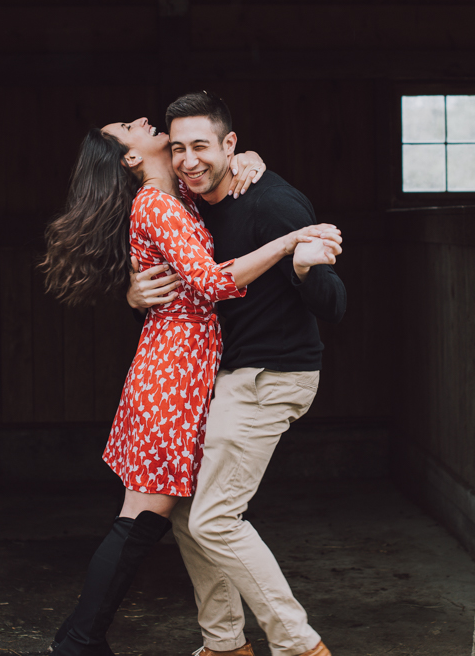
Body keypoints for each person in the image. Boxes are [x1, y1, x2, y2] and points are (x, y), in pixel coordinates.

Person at [40, 115, 342, 656]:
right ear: (131, 159)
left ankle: (171, 643)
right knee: (146, 512)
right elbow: (212, 281)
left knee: (168, 512)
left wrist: (251, 160)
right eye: (131, 127)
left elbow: (218, 172)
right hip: (175, 369)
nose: (143, 120)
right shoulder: (156, 204)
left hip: (183, 364)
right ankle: (81, 640)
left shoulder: (176, 191)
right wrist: (288, 240)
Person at [129, 92, 346, 656]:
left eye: (201, 145)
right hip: (227, 377)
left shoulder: (273, 203)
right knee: (186, 516)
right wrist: (134, 292)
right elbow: (172, 271)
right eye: (177, 148)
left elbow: (335, 302)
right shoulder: (191, 203)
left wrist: (304, 266)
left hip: (271, 375)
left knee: (215, 519)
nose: (188, 159)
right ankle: (225, 644)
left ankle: (301, 647)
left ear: (229, 144)